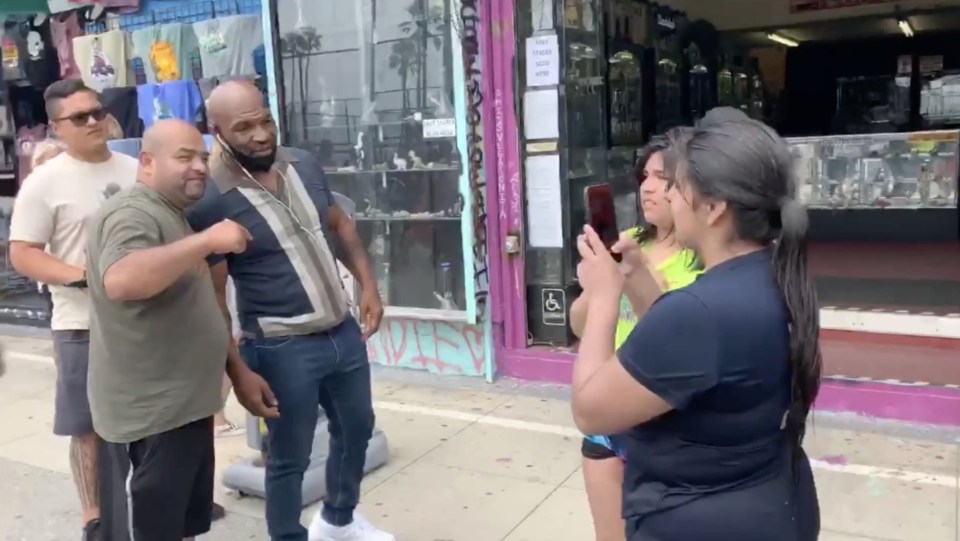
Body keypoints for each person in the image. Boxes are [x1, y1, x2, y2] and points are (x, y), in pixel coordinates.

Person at [571, 119, 821, 540]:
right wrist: (633, 277)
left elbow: (590, 410)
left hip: (698, 519)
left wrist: (602, 294)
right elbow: (677, 360)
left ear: (714, 207)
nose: (665, 195)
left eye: (676, 185)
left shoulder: (701, 311)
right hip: (769, 504)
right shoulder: (770, 274)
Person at [187, 80, 392, 541]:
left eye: (265, 120)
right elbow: (215, 300)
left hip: (342, 333)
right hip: (279, 349)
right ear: (216, 131)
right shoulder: (210, 200)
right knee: (289, 458)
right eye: (244, 128)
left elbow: (338, 225)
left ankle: (338, 520)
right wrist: (237, 371)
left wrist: (369, 285)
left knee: (357, 432)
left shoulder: (303, 162)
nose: (260, 135)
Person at [85, 119, 279, 541]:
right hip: (156, 416)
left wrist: (237, 372)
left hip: (186, 407)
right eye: (184, 157)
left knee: (181, 526)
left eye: (203, 156)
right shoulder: (132, 213)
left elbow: (199, 307)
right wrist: (208, 241)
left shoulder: (173, 215)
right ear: (147, 163)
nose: (199, 167)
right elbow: (122, 280)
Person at [9, 79, 140, 541]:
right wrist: (81, 277)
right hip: (81, 324)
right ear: (56, 127)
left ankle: (156, 501)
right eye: (79, 117)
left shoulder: (134, 169)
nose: (93, 122)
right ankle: (94, 514)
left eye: (97, 112)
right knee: (88, 429)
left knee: (151, 420)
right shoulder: (44, 183)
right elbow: (23, 252)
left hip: (143, 322)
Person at [570, 136, 700, 541]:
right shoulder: (629, 240)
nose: (646, 187)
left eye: (661, 178)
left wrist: (640, 278)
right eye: (644, 175)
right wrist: (597, 287)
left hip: (663, 421)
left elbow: (679, 341)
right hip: (609, 414)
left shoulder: (703, 257)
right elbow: (578, 325)